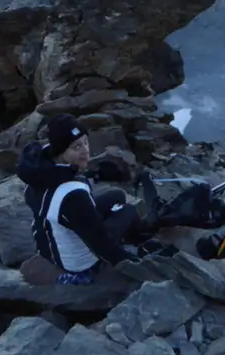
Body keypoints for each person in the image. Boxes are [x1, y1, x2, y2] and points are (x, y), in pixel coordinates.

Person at [17, 113, 141, 284]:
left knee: (117, 195)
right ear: (61, 152)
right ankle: (139, 240)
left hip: (50, 243)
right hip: (78, 262)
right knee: (128, 211)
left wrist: (96, 174)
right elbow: (103, 247)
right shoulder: (73, 196)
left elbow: (66, 181)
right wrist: (140, 267)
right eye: (76, 147)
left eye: (86, 142)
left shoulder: (39, 172)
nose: (86, 151)